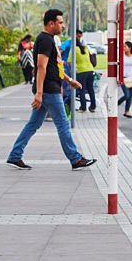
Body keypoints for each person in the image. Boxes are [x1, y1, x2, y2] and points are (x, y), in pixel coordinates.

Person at [5, 9, 96, 170]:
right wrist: (39, 93)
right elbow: (41, 67)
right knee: (62, 124)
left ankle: (15, 155)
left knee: (33, 124)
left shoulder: (48, 39)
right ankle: (75, 159)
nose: (62, 25)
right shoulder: (45, 40)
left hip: (48, 88)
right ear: (51, 23)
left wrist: (69, 80)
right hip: (48, 90)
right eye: (60, 22)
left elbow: (54, 67)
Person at [73, 31, 96, 112]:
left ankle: (83, 108)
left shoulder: (74, 49)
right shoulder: (85, 48)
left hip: (81, 71)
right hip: (90, 70)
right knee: (90, 89)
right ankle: (93, 107)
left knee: (81, 89)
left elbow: (69, 61)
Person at [117, 41, 132, 119]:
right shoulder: (121, 56)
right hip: (124, 78)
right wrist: (118, 77)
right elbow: (119, 68)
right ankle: (117, 103)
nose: (123, 48)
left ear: (130, 48)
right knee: (127, 95)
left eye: (125, 46)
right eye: (123, 46)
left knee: (130, 97)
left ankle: (126, 112)